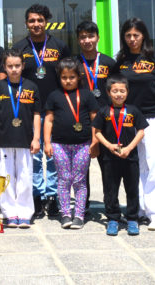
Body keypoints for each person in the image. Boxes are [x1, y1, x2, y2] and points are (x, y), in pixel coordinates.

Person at [13, 4, 71, 219]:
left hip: (55, 110)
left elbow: (69, 76)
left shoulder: (60, 46)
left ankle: (53, 196)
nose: (36, 24)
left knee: (54, 154)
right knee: (35, 156)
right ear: (26, 23)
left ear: (46, 21)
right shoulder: (20, 48)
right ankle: (36, 197)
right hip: (30, 110)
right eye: (31, 21)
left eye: (40, 20)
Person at [116, 17, 155, 231]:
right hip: (129, 120)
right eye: (128, 35)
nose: (132, 39)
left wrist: (154, 107)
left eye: (136, 35)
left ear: (143, 36)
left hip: (153, 119)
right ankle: (138, 209)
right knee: (135, 165)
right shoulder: (120, 60)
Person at [43, 58, 99, 229]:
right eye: (64, 77)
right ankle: (65, 213)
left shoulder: (87, 95)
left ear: (78, 77)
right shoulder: (54, 96)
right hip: (59, 144)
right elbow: (49, 120)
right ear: (59, 78)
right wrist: (47, 142)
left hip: (83, 144)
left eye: (72, 77)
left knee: (80, 180)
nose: (68, 81)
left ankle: (80, 215)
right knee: (63, 179)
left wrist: (95, 141)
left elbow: (94, 119)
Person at [0, 48, 41, 229]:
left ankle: (25, 212)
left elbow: (36, 114)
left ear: (23, 66)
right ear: (4, 66)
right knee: (7, 176)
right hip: (4, 139)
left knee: (26, 176)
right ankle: (10, 212)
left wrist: (36, 138)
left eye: (17, 66)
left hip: (25, 139)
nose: (14, 69)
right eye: (10, 66)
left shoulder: (31, 86)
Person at [92, 75, 148, 236]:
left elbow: (141, 132)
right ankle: (113, 219)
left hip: (130, 158)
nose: (118, 94)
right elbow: (97, 132)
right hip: (109, 158)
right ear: (108, 92)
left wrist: (129, 148)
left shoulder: (133, 111)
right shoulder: (103, 111)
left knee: (132, 189)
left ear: (127, 92)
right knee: (110, 190)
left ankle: (132, 218)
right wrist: (109, 146)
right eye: (115, 91)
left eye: (122, 91)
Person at [75, 20, 118, 210]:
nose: (87, 40)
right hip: (82, 121)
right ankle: (81, 207)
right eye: (83, 37)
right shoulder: (74, 63)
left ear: (98, 38)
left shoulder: (109, 63)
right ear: (78, 40)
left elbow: (118, 90)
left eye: (91, 36)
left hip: (106, 122)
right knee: (81, 170)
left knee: (108, 168)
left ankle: (111, 207)